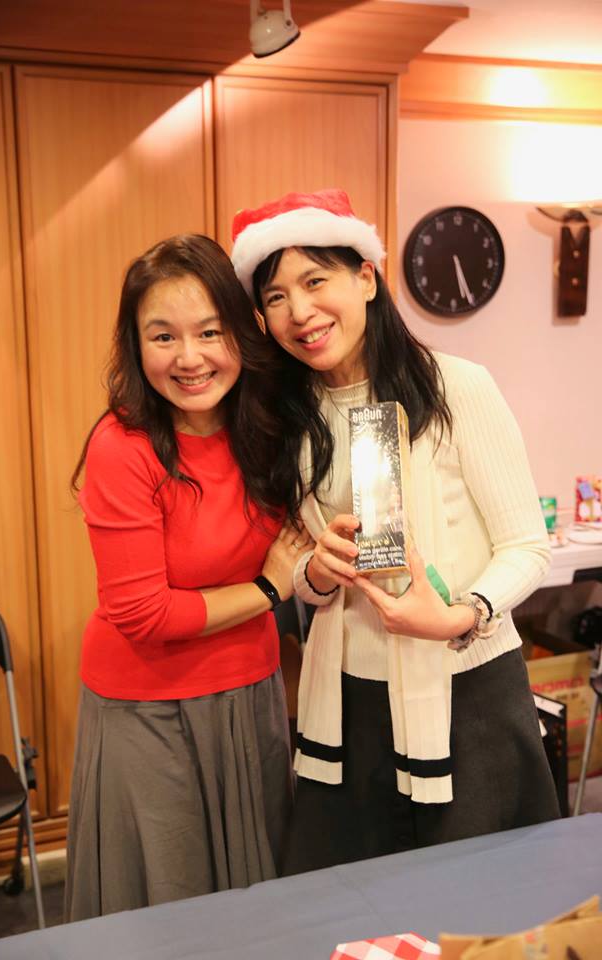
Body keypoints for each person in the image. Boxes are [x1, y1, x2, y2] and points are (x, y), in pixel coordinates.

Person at [230, 188, 560, 875]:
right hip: (348, 698)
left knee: (475, 901)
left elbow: (527, 546)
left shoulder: (456, 387)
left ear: (366, 278)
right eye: (276, 297)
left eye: (315, 281)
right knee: (356, 905)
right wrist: (317, 574)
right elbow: (304, 571)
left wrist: (461, 615)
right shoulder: (287, 418)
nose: (299, 312)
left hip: (467, 688)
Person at [64, 234, 311, 919]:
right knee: (170, 912)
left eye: (209, 331)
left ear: (241, 332)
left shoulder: (268, 424)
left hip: (252, 694)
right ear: (136, 345)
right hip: (149, 709)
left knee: (258, 908)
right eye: (163, 336)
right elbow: (143, 614)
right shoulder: (123, 446)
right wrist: (267, 590)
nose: (190, 357)